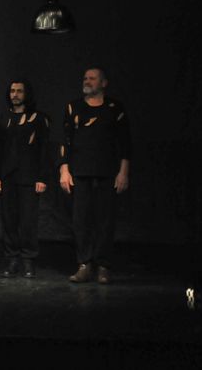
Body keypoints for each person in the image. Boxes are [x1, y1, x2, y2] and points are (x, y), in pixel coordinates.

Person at [60, 67, 131, 284]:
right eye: (85, 78)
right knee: (80, 220)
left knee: (105, 220)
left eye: (92, 78)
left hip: (107, 172)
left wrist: (123, 172)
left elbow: (125, 143)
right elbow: (65, 141)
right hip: (80, 172)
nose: (87, 81)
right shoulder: (74, 107)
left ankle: (103, 265)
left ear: (103, 83)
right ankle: (84, 264)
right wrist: (64, 170)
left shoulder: (114, 108)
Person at [0, 80, 50, 278]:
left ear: (26, 94)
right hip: (7, 177)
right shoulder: (1, 120)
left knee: (28, 220)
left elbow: (44, 150)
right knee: (9, 219)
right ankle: (12, 258)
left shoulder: (39, 119)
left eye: (19, 91)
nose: (15, 94)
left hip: (30, 177)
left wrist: (42, 178)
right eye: (12, 91)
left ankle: (28, 259)